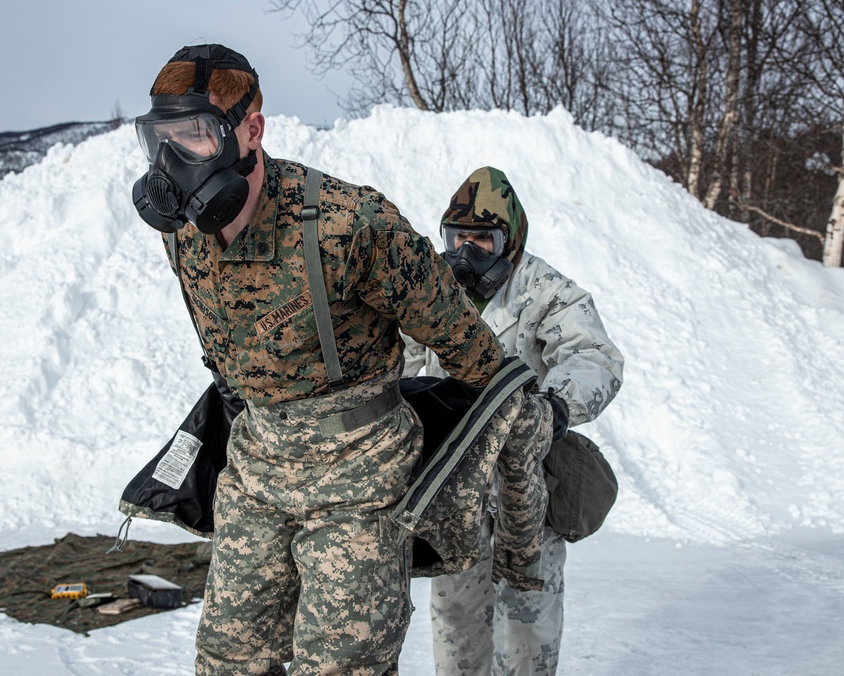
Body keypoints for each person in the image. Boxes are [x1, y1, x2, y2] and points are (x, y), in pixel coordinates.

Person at [130, 44, 530, 674]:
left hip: (360, 478)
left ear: (250, 129)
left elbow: (462, 339)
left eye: (197, 137)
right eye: (161, 138)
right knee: (227, 660)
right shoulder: (181, 230)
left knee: (341, 665)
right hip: (256, 468)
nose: (173, 161)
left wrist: (514, 415)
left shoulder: (350, 225)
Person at [403, 167, 625, 675]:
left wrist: (555, 407)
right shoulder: (436, 292)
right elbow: (404, 360)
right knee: (456, 617)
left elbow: (594, 356)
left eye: (485, 237)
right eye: (459, 236)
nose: (469, 249)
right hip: (453, 489)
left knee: (526, 623)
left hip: (523, 489)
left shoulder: (543, 288)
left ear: (512, 238)